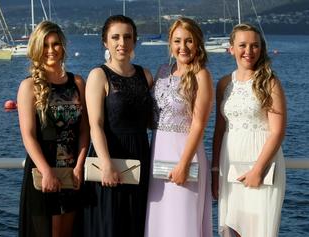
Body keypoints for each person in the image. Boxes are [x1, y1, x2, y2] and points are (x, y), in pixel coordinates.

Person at [211, 23, 286, 237]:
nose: (249, 51)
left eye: (255, 45)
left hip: (262, 166)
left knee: (259, 230)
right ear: (231, 48)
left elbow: (277, 131)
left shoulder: (269, 82)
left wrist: (257, 170)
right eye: (242, 45)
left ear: (261, 49)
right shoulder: (224, 83)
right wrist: (215, 172)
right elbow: (219, 130)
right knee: (231, 229)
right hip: (230, 165)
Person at [17, 21, 90, 237]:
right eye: (45, 45)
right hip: (42, 172)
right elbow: (28, 136)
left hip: (71, 172)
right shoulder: (28, 86)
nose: (51, 50)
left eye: (56, 44)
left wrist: (79, 165)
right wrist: (46, 172)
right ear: (36, 48)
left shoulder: (77, 82)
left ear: (63, 46)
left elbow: (85, 130)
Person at [84, 15, 153, 237]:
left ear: (134, 41)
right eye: (115, 37)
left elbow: (152, 121)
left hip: (140, 155)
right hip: (109, 155)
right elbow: (95, 124)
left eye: (127, 37)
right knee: (110, 225)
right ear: (105, 42)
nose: (121, 43)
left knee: (136, 223)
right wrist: (105, 164)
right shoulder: (98, 75)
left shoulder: (146, 75)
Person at [145, 17, 213, 237]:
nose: (182, 47)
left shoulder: (201, 76)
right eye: (177, 41)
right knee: (159, 221)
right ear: (170, 44)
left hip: (185, 157)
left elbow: (199, 124)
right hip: (157, 156)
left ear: (198, 44)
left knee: (181, 223)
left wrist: (183, 164)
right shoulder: (162, 71)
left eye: (189, 41)